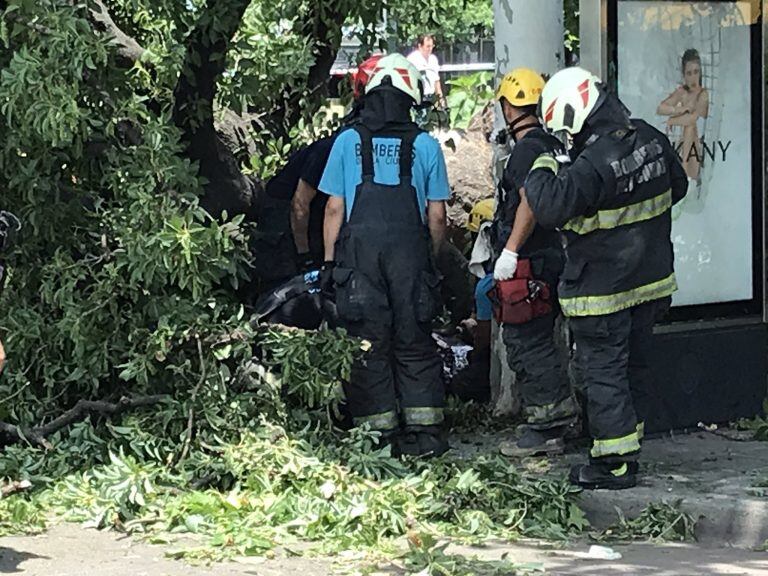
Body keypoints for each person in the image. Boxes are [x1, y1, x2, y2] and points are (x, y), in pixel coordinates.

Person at [525, 67, 688, 489]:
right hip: (651, 285)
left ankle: (614, 463)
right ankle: (627, 441)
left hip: (602, 293)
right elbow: (680, 185)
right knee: (631, 368)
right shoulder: (650, 138)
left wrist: (543, 160)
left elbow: (548, 207)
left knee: (604, 373)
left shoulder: (592, 164)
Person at [319, 53, 451, 457]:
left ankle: (377, 439)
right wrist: (429, 257)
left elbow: (333, 209)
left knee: (367, 343)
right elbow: (438, 215)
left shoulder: (347, 142)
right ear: (412, 99)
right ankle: (426, 435)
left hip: (359, 261)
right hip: (410, 256)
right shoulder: (426, 145)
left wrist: (328, 265)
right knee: (414, 339)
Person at [488, 68, 578, 457]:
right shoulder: (553, 144)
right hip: (552, 257)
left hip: (529, 261)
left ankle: (547, 426)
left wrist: (509, 252)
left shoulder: (526, 150)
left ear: (509, 108)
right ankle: (558, 418)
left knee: (527, 342)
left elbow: (529, 201)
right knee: (544, 338)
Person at [251, 55, 383, 292]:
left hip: (310, 220)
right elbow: (299, 205)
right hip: (283, 224)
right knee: (288, 291)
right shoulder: (331, 149)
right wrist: (306, 258)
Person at [656, 48, 709, 182]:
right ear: (684, 75)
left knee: (690, 127)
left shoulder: (703, 94)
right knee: (687, 129)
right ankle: (684, 174)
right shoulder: (683, 92)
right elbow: (661, 108)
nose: (693, 78)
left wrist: (672, 121)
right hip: (686, 145)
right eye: (689, 73)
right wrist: (680, 109)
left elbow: (693, 118)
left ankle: (684, 174)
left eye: (696, 72)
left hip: (701, 142)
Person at [407, 34, 445, 108]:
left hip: (431, 98)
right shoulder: (412, 59)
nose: (430, 49)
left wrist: (440, 99)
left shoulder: (433, 59)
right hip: (417, 99)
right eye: (428, 46)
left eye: (432, 46)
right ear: (420, 46)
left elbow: (436, 80)